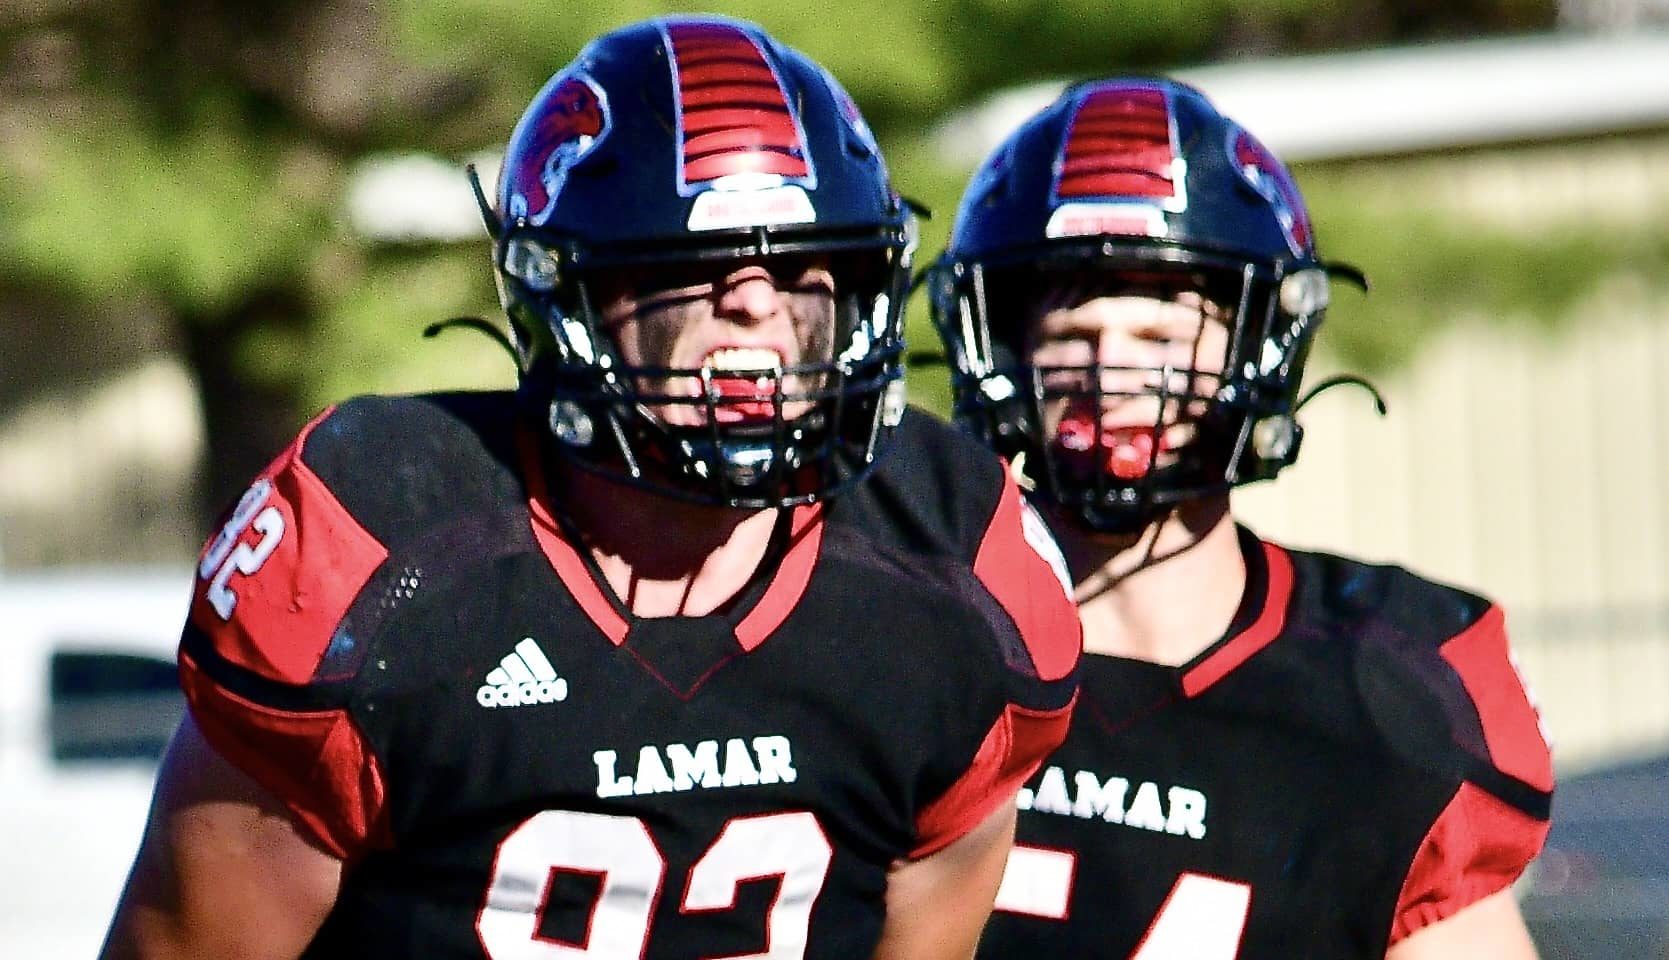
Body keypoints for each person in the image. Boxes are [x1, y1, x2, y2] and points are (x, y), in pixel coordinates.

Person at [99, 17, 1081, 960]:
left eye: (800, 263)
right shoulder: (389, 551)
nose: (753, 299)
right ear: (569, 298)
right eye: (690, 264)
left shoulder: (950, 564)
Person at [928, 77, 1553, 959]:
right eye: (1074, 331)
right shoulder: (912, 631)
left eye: (1159, 338)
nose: (1113, 377)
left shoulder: (1390, 678)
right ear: (1001, 349)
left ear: (1256, 350)